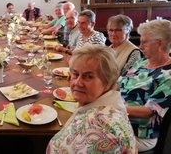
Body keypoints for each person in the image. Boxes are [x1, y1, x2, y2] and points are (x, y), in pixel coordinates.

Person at [47, 44, 137, 153]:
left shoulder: (102, 130)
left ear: (107, 81)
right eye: (75, 74)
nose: (77, 83)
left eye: (88, 76)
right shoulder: (102, 105)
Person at [118, 19, 171, 152]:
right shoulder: (141, 63)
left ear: (160, 44)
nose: (140, 47)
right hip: (116, 121)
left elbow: (148, 112)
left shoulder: (168, 75)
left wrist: (114, 107)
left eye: (144, 42)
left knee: (91, 141)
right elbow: (118, 83)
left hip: (138, 134)